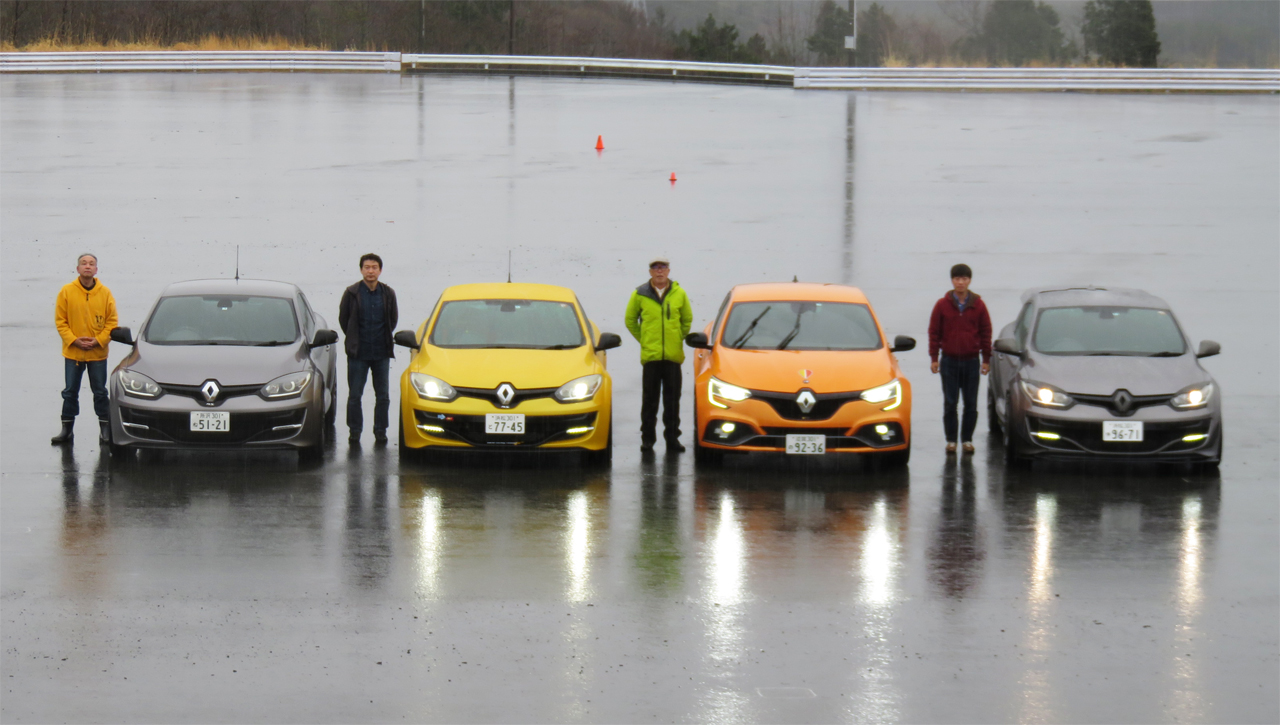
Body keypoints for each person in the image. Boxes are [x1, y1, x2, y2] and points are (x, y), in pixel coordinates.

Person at [624, 257, 692, 453]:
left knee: (672, 401)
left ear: (668, 271)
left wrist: (677, 338)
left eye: (663, 268)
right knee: (650, 401)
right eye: (655, 268)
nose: (659, 271)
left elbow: (686, 320)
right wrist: (645, 340)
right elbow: (630, 320)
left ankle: (672, 438)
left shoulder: (679, 293)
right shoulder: (639, 294)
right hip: (651, 357)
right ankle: (648, 439)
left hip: (672, 357)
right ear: (650, 272)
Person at [53, 253, 118, 445]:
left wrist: (99, 341)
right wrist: (73, 340)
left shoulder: (105, 293)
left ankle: (105, 430)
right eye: (84, 263)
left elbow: (112, 322)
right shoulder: (66, 291)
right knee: (70, 392)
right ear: (78, 269)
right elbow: (61, 321)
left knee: (100, 392)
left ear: (96, 269)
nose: (87, 266)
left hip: (97, 354)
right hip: (73, 353)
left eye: (91, 264)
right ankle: (67, 430)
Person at [928, 263, 992, 454]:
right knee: (950, 403)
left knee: (971, 404)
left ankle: (967, 440)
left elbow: (986, 332)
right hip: (949, 361)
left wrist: (986, 359)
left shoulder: (978, 305)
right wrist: (934, 357)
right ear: (952, 280)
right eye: (957, 278)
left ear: (969, 280)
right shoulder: (942, 305)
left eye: (964, 278)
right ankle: (951, 441)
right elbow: (934, 332)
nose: (960, 282)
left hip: (971, 362)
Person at [338, 253, 398, 445]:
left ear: (380, 270)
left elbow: (393, 319)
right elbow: (344, 320)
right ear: (361, 270)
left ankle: (380, 430)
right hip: (358, 354)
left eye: (374, 267)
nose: (370, 271)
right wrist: (354, 339)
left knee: (383, 396)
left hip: (381, 353)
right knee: (355, 395)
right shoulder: (351, 293)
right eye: (367, 267)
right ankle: (354, 431)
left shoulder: (388, 293)